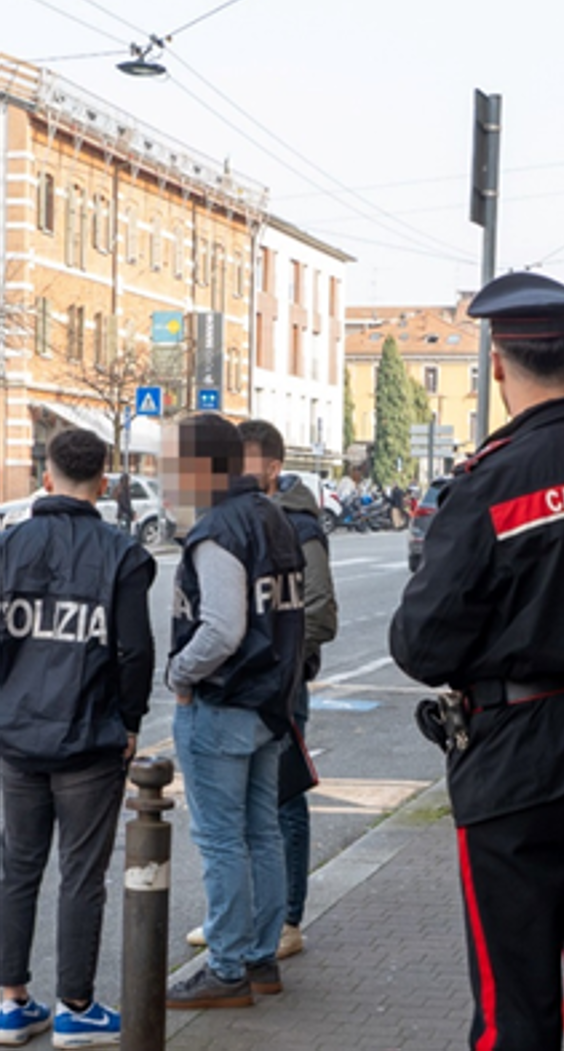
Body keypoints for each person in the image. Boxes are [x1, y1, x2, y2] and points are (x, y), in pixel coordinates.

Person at [389, 271, 564, 1051]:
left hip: (519, 754)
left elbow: (421, 644)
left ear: (498, 365)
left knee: (515, 995)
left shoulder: (490, 483)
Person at [0, 428, 155, 1048]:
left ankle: (11, 1002)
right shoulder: (120, 552)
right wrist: (132, 720)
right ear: (106, 480)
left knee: (18, 864)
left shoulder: (9, 546)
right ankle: (76, 1007)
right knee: (81, 873)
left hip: (17, 734)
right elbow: (134, 651)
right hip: (90, 735)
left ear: (45, 476)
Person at [164, 413, 305, 1010]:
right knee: (262, 835)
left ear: (201, 468)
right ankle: (259, 958)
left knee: (223, 841)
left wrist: (179, 673)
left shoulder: (219, 529)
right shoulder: (273, 517)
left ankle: (226, 969)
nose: (167, 475)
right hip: (270, 704)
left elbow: (222, 628)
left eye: (173, 463)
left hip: (224, 703)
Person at [239, 419, 338, 958]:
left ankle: (287, 920)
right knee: (242, 803)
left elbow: (320, 613)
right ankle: (248, 915)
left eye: (244, 462)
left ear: (272, 468)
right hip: (243, 687)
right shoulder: (238, 518)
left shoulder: (299, 525)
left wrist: (275, 663)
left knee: (282, 801)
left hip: (279, 688)